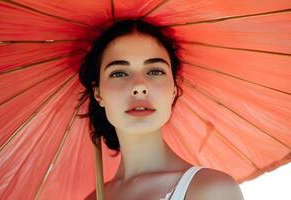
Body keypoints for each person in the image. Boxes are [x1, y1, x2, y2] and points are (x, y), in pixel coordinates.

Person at [78, 19, 244, 200]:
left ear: (173, 89)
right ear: (98, 94)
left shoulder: (211, 190)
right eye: (119, 73)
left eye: (155, 71)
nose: (139, 86)